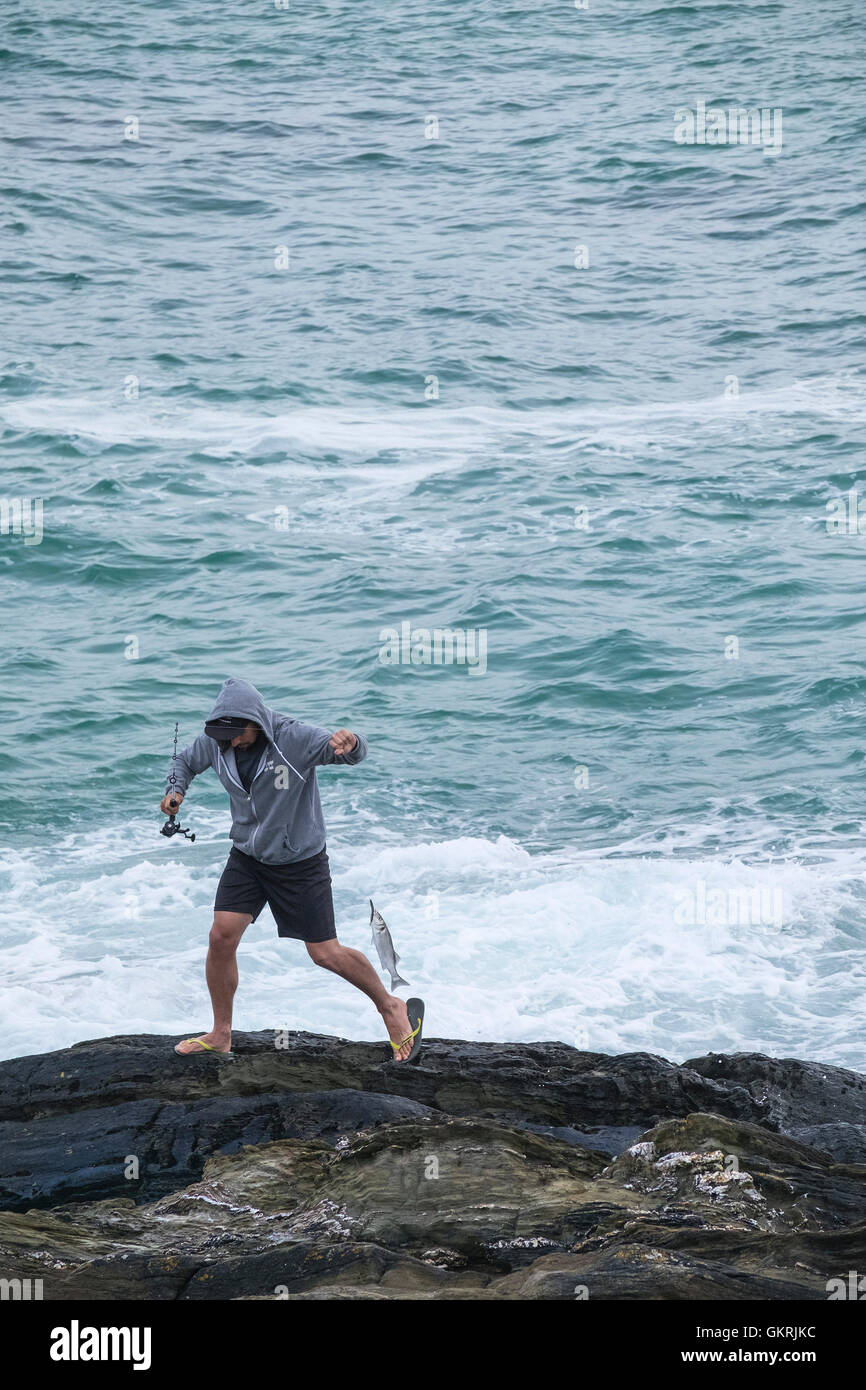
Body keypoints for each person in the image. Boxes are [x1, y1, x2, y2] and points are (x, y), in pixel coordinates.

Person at [160, 677, 420, 1061]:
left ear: (256, 721)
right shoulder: (217, 741)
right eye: (224, 737)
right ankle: (221, 1032)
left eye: (238, 735)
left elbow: (348, 754)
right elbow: (184, 760)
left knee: (325, 954)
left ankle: (390, 1006)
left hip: (299, 861)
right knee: (221, 936)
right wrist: (175, 789)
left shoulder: (293, 737)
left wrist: (353, 743)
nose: (231, 743)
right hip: (248, 855)